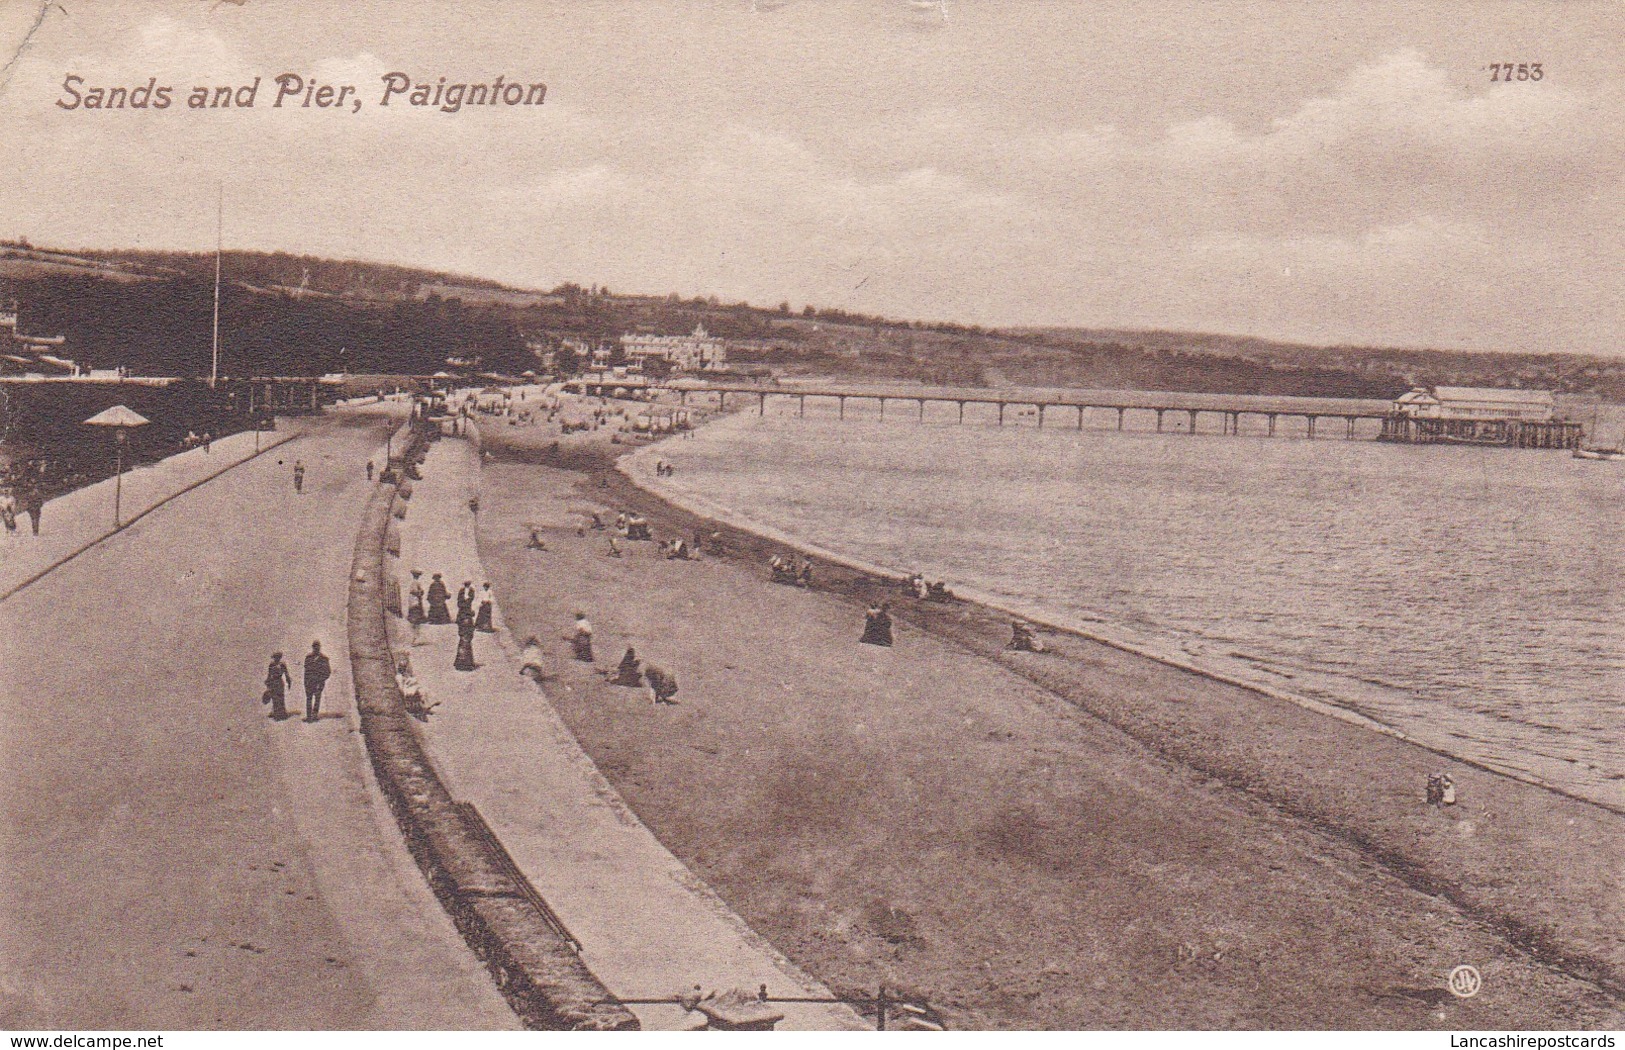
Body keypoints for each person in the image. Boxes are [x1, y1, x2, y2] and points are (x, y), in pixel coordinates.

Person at [303, 641, 332, 722]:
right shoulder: (308, 657)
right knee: (309, 699)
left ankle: (315, 715)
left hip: (319, 682)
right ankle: (309, 716)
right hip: (309, 682)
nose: (316, 648)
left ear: (319, 647)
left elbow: (328, 671)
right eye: (314, 647)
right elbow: (306, 671)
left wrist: (321, 680)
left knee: (317, 699)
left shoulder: (324, 658)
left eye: (317, 647)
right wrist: (305, 682)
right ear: (312, 647)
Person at [262, 651, 292, 721]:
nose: (276, 658)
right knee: (274, 698)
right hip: (273, 682)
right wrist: (268, 682)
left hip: (279, 682)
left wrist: (289, 682)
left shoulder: (282, 665)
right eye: (275, 657)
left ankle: (282, 713)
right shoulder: (271, 665)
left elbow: (286, 674)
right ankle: (276, 713)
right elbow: (269, 674)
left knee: (281, 697)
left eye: (277, 657)